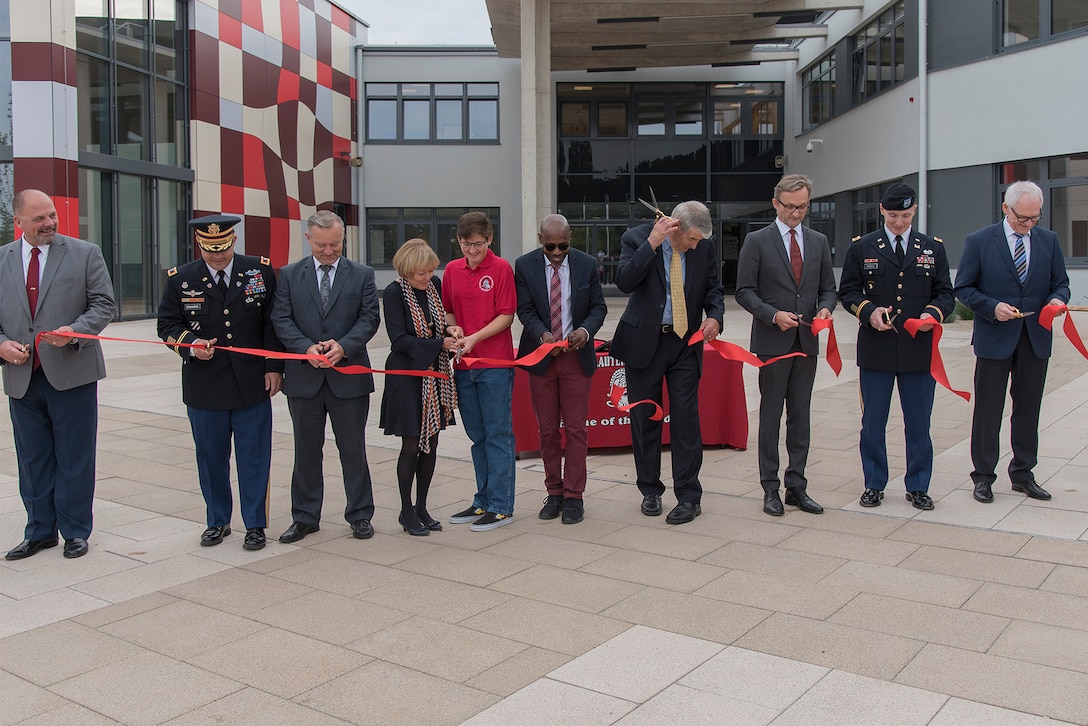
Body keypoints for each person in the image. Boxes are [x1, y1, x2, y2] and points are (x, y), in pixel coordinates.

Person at [0, 189, 116, 560]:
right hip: (22, 377)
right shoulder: (1, 260)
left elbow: (103, 304)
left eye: (52, 215)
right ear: (19, 223)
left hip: (72, 373)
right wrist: (1, 344)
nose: (49, 223)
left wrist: (74, 332)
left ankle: (75, 531)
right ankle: (40, 531)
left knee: (75, 455)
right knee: (32, 459)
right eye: (39, 219)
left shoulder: (85, 253)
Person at [156, 214, 283, 551]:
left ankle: (255, 524)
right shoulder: (181, 279)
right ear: (200, 245)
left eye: (223, 248)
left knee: (253, 457)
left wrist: (274, 367)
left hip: (252, 382)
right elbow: (167, 325)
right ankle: (217, 521)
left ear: (233, 241)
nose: (217, 256)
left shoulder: (259, 271)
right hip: (204, 385)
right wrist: (191, 345)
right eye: (210, 249)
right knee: (211, 458)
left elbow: (272, 323)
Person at [839, 183, 954, 510]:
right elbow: (847, 292)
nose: (899, 222)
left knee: (919, 423)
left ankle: (918, 486)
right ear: (881, 211)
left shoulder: (932, 248)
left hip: (919, 350)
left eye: (905, 215)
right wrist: (868, 311)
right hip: (876, 349)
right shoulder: (863, 247)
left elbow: (946, 293)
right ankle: (874, 483)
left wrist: (934, 313)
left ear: (914, 210)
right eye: (893, 215)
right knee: (873, 422)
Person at [955, 180, 1069, 504]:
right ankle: (983, 477)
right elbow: (963, 288)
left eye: (1035, 218)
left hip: (1035, 338)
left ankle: (1022, 473)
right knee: (989, 410)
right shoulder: (979, 241)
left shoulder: (1048, 241)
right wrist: (992, 307)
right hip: (995, 338)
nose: (1029, 224)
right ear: (1006, 208)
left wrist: (1057, 301)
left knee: (1028, 409)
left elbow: (1060, 283)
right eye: (1023, 218)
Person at [611, 201, 725, 525]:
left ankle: (689, 496)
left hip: (685, 343)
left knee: (687, 420)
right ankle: (650, 490)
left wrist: (715, 317)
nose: (694, 245)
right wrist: (652, 244)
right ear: (674, 227)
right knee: (646, 418)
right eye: (690, 239)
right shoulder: (636, 238)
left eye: (699, 241)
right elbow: (624, 281)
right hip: (644, 342)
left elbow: (714, 290)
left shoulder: (704, 247)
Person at [271, 210, 380, 542]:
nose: (329, 251)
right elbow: (281, 318)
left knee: (353, 450)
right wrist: (305, 348)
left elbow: (369, 317)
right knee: (305, 451)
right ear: (308, 239)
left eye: (335, 244)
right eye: (322, 246)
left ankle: (360, 514)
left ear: (343, 239)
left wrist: (343, 347)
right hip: (305, 379)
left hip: (348, 377)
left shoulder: (362, 274)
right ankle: (304, 517)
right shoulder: (289, 275)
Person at [735, 175, 836, 517]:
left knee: (801, 416)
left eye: (802, 206)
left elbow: (828, 289)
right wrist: (772, 314)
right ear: (776, 203)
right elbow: (744, 291)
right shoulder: (757, 241)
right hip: (772, 341)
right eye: (790, 206)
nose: (796, 213)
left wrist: (825, 308)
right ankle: (770, 488)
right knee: (771, 415)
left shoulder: (819, 241)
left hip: (806, 341)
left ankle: (797, 486)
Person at [514, 214, 607, 524]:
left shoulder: (585, 263)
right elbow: (524, 309)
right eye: (550, 246)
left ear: (571, 238)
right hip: (541, 357)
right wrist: (541, 333)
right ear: (540, 239)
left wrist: (585, 330)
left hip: (575, 356)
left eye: (563, 246)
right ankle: (554, 492)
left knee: (577, 429)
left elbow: (598, 307)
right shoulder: (525, 265)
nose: (556, 253)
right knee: (548, 431)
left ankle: (574, 496)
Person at [442, 212, 517, 531]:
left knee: (498, 433)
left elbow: (507, 315)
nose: (471, 251)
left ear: (489, 240)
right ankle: (483, 499)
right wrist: (454, 328)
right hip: (464, 365)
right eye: (464, 244)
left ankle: (501, 505)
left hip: (494, 364)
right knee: (477, 435)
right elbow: (448, 310)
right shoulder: (451, 269)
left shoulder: (500, 269)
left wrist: (475, 337)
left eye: (477, 244)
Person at [379, 239, 459, 536]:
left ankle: (422, 505)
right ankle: (405, 509)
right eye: (420, 274)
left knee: (432, 442)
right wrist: (440, 343)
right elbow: (398, 340)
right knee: (412, 444)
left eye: (430, 271)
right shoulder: (394, 293)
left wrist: (450, 330)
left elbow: (440, 323)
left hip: (435, 375)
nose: (427, 278)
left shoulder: (435, 285)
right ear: (406, 271)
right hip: (406, 377)